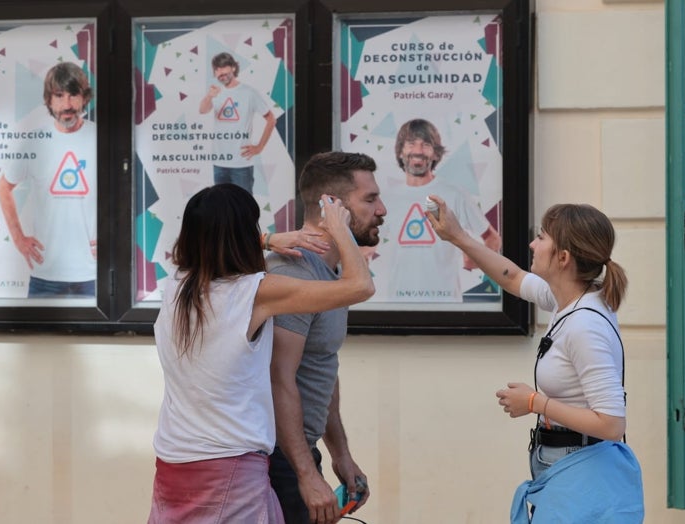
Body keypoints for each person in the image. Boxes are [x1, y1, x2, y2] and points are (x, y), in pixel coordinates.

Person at [147, 183, 375, 524]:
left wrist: (269, 240)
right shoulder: (255, 293)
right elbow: (360, 286)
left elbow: (209, 243)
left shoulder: (179, 282)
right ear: (245, 233)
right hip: (230, 467)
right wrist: (340, 228)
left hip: (173, 466)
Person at [427, 198, 644, 522]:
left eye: (542, 237)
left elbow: (612, 424)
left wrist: (534, 402)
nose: (532, 243)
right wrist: (458, 236)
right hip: (564, 460)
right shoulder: (569, 299)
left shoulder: (586, 325)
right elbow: (512, 277)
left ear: (563, 258)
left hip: (581, 465)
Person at [267, 152, 387, 524]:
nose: (382, 209)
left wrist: (340, 454)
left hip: (302, 451)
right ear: (333, 207)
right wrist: (305, 473)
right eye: (369, 199)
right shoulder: (295, 272)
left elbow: (322, 367)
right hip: (277, 459)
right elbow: (278, 378)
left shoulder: (331, 274)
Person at [0, 61, 96, 297]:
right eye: (59, 96)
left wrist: (114, 236)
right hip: (45, 277)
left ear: (84, 98)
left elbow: (125, 190)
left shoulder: (101, 138)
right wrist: (19, 238)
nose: (67, 104)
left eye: (73, 95)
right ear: (49, 100)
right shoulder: (35, 141)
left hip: (93, 275)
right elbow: (4, 187)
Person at [386, 118, 501, 303]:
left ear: (435, 153)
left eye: (425, 145)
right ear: (400, 151)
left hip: (446, 305)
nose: (418, 151)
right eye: (411, 144)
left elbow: (492, 239)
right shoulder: (386, 199)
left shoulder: (455, 194)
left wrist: (473, 262)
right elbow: (365, 246)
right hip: (397, 304)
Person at [198, 52, 276, 194]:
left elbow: (271, 119)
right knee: (222, 207)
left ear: (233, 68)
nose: (221, 73)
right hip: (219, 162)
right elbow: (202, 110)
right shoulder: (215, 92)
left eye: (224, 68)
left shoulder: (249, 93)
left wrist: (260, 147)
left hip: (241, 164)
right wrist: (209, 96)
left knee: (244, 207)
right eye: (217, 70)